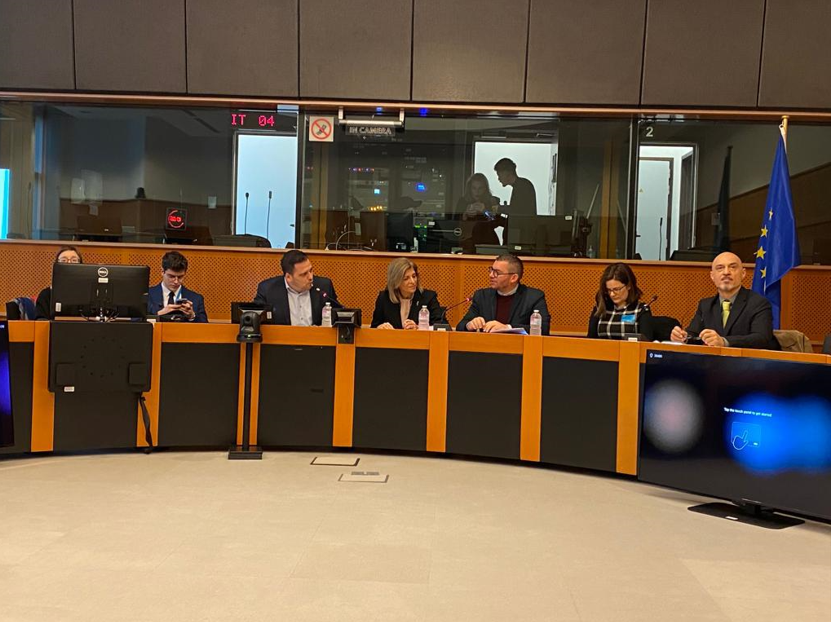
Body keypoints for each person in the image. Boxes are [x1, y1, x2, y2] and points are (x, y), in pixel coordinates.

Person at [670, 251, 779, 350]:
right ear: (712, 276)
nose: (726, 272)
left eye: (732, 267)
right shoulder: (706, 305)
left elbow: (761, 338)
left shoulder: (758, 303)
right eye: (720, 268)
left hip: (747, 366)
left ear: (743, 273)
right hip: (713, 365)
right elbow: (693, 334)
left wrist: (724, 342)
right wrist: (682, 338)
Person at [457, 254, 550, 334]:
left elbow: (543, 329)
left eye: (497, 272)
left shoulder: (534, 297)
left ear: (513, 278)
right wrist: (469, 325)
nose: (491, 275)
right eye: (491, 270)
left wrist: (507, 328)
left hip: (518, 350)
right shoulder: (482, 296)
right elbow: (460, 326)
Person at [254, 249, 341, 326]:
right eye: (304, 274)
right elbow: (256, 320)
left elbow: (338, 316)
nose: (310, 277)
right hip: (283, 341)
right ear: (288, 277)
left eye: (311, 270)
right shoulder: (268, 290)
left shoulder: (324, 286)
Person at [371, 258, 443, 329]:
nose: (413, 281)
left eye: (414, 276)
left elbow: (442, 327)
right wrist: (379, 327)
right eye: (406, 278)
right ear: (396, 281)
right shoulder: (384, 298)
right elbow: (373, 328)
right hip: (391, 340)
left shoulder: (428, 297)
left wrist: (419, 328)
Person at [587, 263, 654, 340]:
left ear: (628, 286)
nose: (612, 294)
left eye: (616, 289)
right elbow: (590, 340)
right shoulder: (600, 308)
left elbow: (646, 343)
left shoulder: (641, 310)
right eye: (609, 290)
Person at [147, 251, 208, 322]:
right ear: (162, 271)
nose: (176, 281)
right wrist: (158, 315)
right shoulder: (147, 295)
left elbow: (205, 329)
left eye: (180, 277)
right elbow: (137, 323)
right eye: (171, 276)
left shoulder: (196, 299)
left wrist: (192, 316)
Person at [35, 246, 83, 320]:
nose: (69, 263)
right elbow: (40, 321)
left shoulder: (89, 294)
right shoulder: (47, 294)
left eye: (74, 260)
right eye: (63, 260)